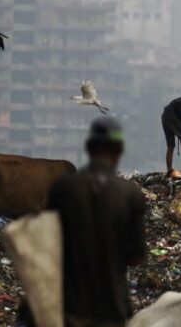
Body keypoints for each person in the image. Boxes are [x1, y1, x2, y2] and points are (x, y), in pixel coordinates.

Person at [46, 117, 146, 327]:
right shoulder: (130, 194)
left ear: (88, 149)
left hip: (69, 309)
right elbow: (136, 255)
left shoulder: (64, 188)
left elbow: (48, 244)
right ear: (119, 151)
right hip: (113, 309)